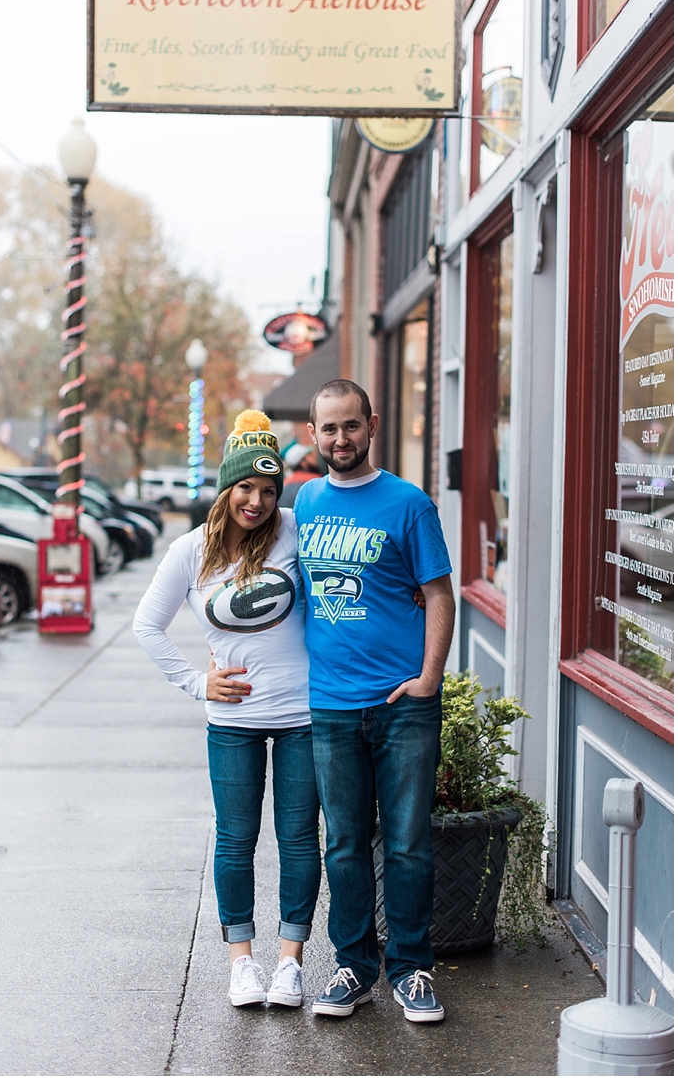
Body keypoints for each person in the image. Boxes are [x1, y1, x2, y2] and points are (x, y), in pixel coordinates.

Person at [134, 410, 320, 1010]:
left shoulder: (297, 529)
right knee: (236, 841)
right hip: (233, 723)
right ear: (227, 488)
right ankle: (242, 963)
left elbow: (352, 570)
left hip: (302, 716)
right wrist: (196, 683)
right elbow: (147, 626)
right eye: (247, 488)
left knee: (298, 841)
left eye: (269, 490)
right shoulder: (191, 552)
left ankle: (290, 962)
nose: (258, 501)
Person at [293, 378, 454, 1023]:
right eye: (328, 428)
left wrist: (429, 678)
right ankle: (353, 969)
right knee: (345, 844)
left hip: (401, 704)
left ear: (372, 424)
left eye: (351, 426)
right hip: (331, 705)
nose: (340, 439)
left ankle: (412, 971)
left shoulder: (409, 504)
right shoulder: (303, 503)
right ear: (313, 433)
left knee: (410, 842)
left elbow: (439, 594)